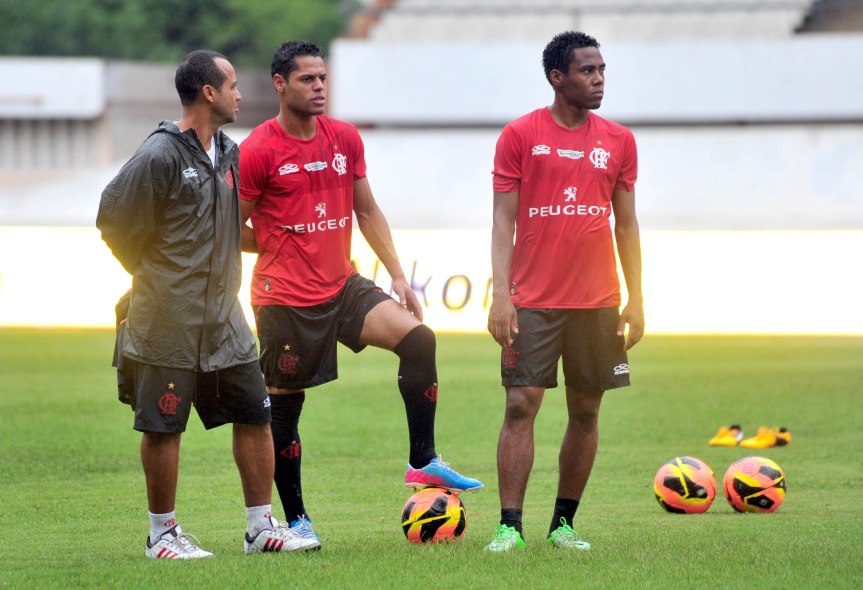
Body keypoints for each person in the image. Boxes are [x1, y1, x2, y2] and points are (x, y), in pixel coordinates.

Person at [238, 40, 483, 547]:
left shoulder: (344, 138)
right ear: (280, 85)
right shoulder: (258, 150)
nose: (320, 87)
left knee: (419, 339)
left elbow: (366, 210)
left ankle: (422, 461)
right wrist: (280, 234)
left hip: (342, 284)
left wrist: (396, 274)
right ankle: (297, 519)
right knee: (285, 410)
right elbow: (227, 227)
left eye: (323, 78)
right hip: (284, 298)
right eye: (307, 79)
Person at [97, 50, 320, 559]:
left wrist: (275, 236)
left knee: (257, 413)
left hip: (226, 321)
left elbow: (223, 227)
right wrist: (154, 274)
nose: (243, 94)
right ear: (209, 93)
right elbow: (112, 218)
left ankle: (261, 528)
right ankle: (162, 536)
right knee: (163, 425)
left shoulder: (229, 152)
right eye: (234, 85)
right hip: (167, 319)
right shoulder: (158, 155)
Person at [485, 31, 644, 553]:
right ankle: (510, 525)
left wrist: (636, 297)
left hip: (597, 301)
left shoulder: (619, 140)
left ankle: (563, 526)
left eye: (601, 70)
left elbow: (627, 224)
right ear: (558, 77)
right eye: (587, 71)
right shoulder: (519, 135)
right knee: (520, 404)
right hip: (533, 298)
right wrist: (502, 296)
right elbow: (502, 221)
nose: (598, 80)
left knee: (586, 410)